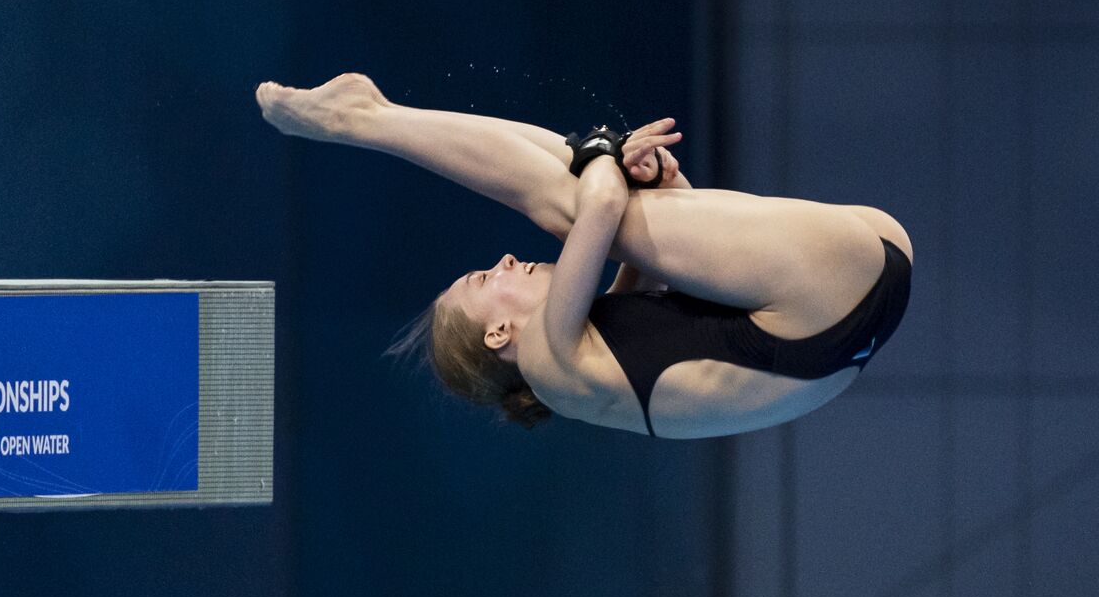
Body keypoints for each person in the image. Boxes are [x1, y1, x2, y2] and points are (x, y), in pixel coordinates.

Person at [255, 73, 912, 439]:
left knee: (589, 188)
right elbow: (596, 211)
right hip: (825, 308)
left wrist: (646, 175)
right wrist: (605, 149)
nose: (507, 260)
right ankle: (358, 120)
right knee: (574, 199)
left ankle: (380, 109)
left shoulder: (588, 365)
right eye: (488, 277)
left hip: (857, 300)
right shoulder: (548, 363)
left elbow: (662, 251)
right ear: (499, 332)